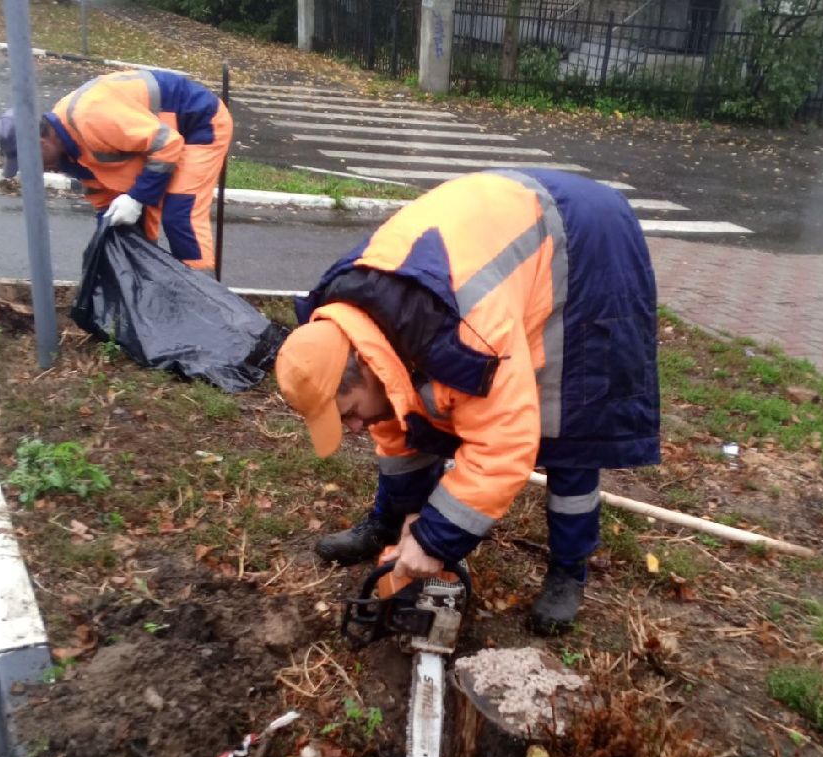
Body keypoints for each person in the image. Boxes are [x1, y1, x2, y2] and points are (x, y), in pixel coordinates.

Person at [275, 169, 660, 635]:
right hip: (497, 240)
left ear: (362, 362)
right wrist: (406, 523)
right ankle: (388, 520)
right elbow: (397, 421)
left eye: (348, 412)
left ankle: (569, 570)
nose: (353, 428)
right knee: (406, 407)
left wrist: (436, 538)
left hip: (586, 249)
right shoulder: (356, 323)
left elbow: (503, 447)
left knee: (569, 423)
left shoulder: (469, 329)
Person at [0, 69, 231, 271]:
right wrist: (109, 234)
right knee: (130, 228)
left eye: (31, 162)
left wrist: (137, 198)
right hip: (160, 139)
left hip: (199, 122)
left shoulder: (91, 117)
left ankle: (207, 301)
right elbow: (102, 192)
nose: (39, 169)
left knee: (179, 214)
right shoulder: (67, 148)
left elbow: (167, 144)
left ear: (41, 144)